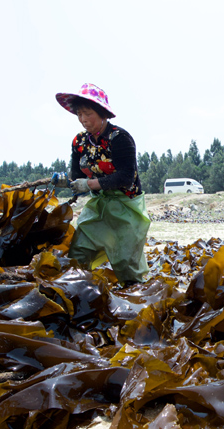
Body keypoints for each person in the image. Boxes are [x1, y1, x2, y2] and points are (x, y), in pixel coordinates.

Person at [51, 83, 150, 286]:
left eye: (88, 113)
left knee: (126, 261)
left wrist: (90, 184)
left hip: (126, 207)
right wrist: (66, 182)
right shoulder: (79, 142)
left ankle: (135, 294)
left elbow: (126, 177)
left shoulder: (120, 138)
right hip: (99, 206)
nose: (83, 119)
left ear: (102, 113)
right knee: (79, 251)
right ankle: (79, 290)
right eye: (80, 114)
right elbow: (77, 176)